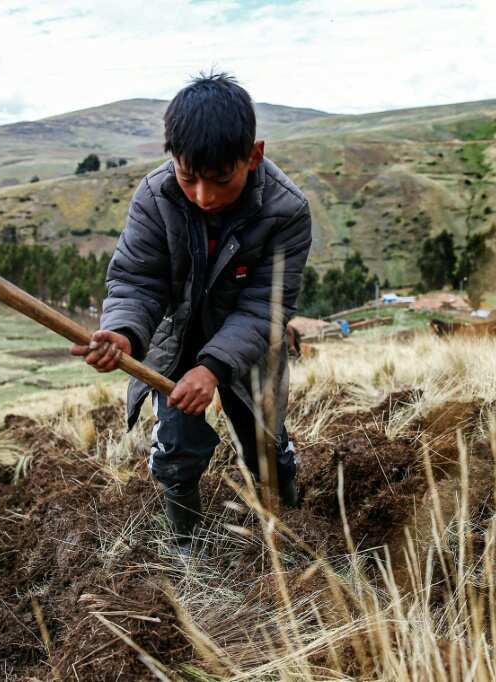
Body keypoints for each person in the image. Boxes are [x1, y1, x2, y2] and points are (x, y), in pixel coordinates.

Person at [70, 73, 312, 553]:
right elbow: (137, 280)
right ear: (172, 160)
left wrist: (214, 368)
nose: (203, 196)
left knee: (264, 443)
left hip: (249, 345)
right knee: (176, 452)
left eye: (221, 180)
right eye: (188, 177)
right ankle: (188, 551)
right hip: (175, 341)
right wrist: (122, 332)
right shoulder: (156, 196)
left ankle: (291, 524)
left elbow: (267, 305)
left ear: (254, 155)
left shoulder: (287, 211)